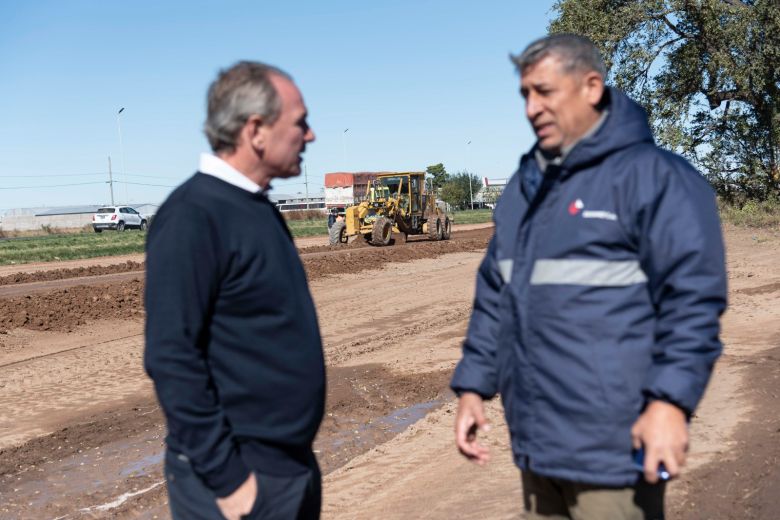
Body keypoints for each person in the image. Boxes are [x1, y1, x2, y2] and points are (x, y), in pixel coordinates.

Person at [450, 34, 727, 519]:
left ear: (591, 87)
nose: (532, 108)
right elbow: (496, 295)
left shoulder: (654, 178)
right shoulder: (523, 189)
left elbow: (693, 301)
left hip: (613, 450)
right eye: (525, 95)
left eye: (545, 91)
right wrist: (474, 387)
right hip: (537, 444)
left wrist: (669, 404)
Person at [144, 61, 324, 520]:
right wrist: (230, 481)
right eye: (300, 122)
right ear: (256, 130)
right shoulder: (193, 216)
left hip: (286, 469)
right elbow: (171, 356)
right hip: (239, 484)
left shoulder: (255, 207)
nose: (311, 135)